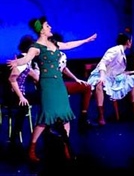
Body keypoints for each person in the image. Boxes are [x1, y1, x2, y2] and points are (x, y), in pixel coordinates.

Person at [6, 16, 97, 163]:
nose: (50, 27)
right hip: (47, 85)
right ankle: (32, 148)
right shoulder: (36, 47)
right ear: (41, 30)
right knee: (46, 117)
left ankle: (66, 147)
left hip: (59, 84)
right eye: (47, 26)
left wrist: (86, 40)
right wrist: (17, 62)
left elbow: (68, 45)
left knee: (65, 116)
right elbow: (26, 59)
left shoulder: (54, 43)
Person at [86, 30, 134, 125]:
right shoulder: (114, 50)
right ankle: (101, 115)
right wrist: (102, 77)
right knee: (100, 84)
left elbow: (119, 72)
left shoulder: (122, 53)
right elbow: (103, 63)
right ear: (128, 41)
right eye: (131, 41)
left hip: (112, 77)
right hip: (101, 75)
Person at [51, 32, 95, 130]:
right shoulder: (45, 55)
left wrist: (76, 79)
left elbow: (63, 68)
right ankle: (56, 123)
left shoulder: (61, 55)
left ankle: (83, 118)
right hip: (50, 86)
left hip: (59, 84)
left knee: (87, 87)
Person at [6, 34, 40, 149]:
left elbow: (35, 76)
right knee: (23, 106)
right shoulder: (22, 60)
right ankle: (14, 137)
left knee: (44, 99)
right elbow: (12, 79)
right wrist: (21, 96)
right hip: (13, 94)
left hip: (20, 92)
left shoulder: (27, 61)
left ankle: (45, 128)